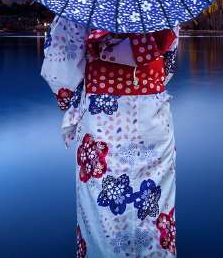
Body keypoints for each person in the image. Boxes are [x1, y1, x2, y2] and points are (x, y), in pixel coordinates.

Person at [41, 17, 179, 257]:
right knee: (153, 207)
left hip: (102, 120)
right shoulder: (160, 1)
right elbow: (168, 64)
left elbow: (59, 66)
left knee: (101, 214)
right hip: (152, 117)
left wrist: (73, 98)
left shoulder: (84, 1)